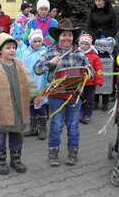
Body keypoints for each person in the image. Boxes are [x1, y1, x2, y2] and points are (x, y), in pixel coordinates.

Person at [34, 18, 94, 167]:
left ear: (73, 37)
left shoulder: (79, 54)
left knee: (73, 125)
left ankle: (73, 152)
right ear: (58, 37)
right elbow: (37, 69)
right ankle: (53, 152)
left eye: (69, 35)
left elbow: (91, 71)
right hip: (56, 97)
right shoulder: (51, 52)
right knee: (56, 125)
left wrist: (87, 70)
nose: (67, 38)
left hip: (74, 96)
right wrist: (50, 63)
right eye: (64, 35)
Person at [0, 33, 37, 175]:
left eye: (13, 47)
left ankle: (16, 159)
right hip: (3, 109)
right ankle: (0, 161)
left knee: (17, 133)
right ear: (0, 50)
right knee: (1, 134)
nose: (12, 50)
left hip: (19, 107)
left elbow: (29, 80)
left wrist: (34, 95)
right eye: (8, 47)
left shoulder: (19, 63)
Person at [86, 0, 117, 111]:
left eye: (99, 0)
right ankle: (95, 99)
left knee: (106, 71)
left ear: (104, 1)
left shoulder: (111, 11)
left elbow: (114, 27)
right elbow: (89, 26)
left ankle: (105, 100)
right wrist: (96, 38)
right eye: (96, 1)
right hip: (96, 43)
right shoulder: (92, 10)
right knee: (95, 69)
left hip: (107, 44)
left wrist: (107, 38)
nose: (97, 3)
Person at [22, 29, 49, 139]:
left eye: (39, 41)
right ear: (30, 42)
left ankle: (42, 128)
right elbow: (23, 68)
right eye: (35, 41)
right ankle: (32, 128)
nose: (37, 43)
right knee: (31, 105)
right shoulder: (26, 53)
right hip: (29, 84)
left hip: (41, 83)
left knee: (41, 105)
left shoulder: (45, 53)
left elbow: (48, 68)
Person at [78, 34, 103, 124]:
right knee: (80, 99)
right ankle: (81, 112)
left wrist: (99, 81)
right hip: (79, 82)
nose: (84, 46)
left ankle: (88, 114)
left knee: (89, 100)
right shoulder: (76, 54)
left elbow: (99, 69)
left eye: (86, 44)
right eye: (82, 43)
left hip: (90, 83)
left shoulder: (94, 56)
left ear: (90, 45)